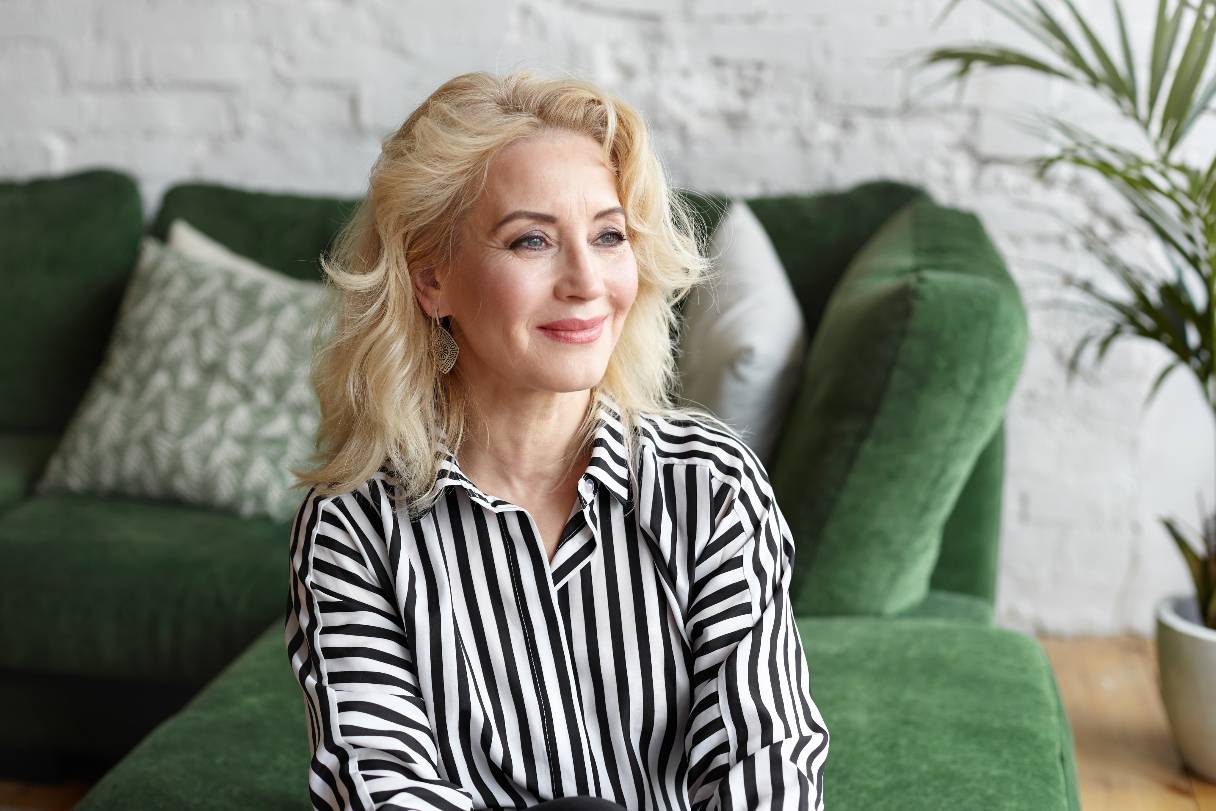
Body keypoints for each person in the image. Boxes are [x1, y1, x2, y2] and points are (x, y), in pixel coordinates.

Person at [284, 68, 830, 811]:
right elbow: (385, 790)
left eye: (608, 236)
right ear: (430, 279)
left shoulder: (712, 482)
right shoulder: (354, 525)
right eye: (532, 240)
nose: (586, 280)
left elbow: (769, 763)